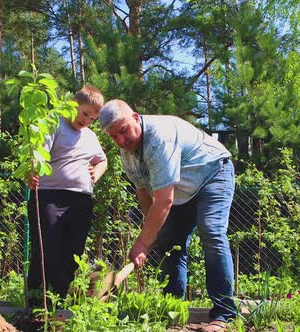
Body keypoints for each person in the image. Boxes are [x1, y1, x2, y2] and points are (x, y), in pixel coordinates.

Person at [99, 99, 237, 331]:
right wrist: (153, 233)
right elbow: (143, 192)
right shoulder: (128, 153)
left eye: (123, 131)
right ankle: (173, 310)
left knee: (211, 232)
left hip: (213, 174)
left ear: (135, 117)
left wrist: (143, 242)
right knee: (168, 242)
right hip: (181, 191)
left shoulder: (159, 137)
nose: (121, 140)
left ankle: (224, 315)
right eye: (114, 137)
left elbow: (164, 200)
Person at [26, 85, 107, 304]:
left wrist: (96, 172)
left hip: (80, 201)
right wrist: (31, 172)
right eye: (85, 113)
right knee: (47, 251)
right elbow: (38, 155)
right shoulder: (55, 125)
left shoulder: (90, 137)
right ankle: (36, 303)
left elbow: (102, 159)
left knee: (72, 254)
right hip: (49, 197)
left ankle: (60, 302)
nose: (87, 120)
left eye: (93, 118)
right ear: (73, 105)